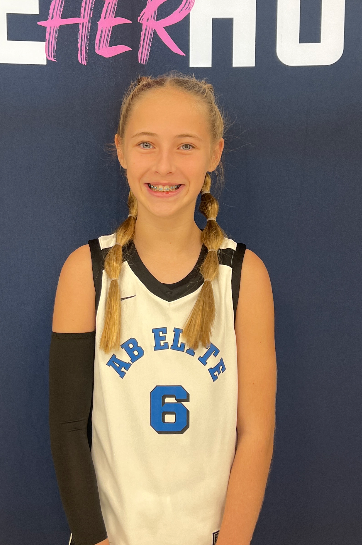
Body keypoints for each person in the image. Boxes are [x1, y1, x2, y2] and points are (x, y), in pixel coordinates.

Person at [49, 71, 277, 545]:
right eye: (146, 144)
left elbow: (256, 432)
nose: (165, 165)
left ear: (214, 153)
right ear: (120, 150)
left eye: (186, 146)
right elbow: (68, 427)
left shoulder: (244, 276)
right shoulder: (86, 272)